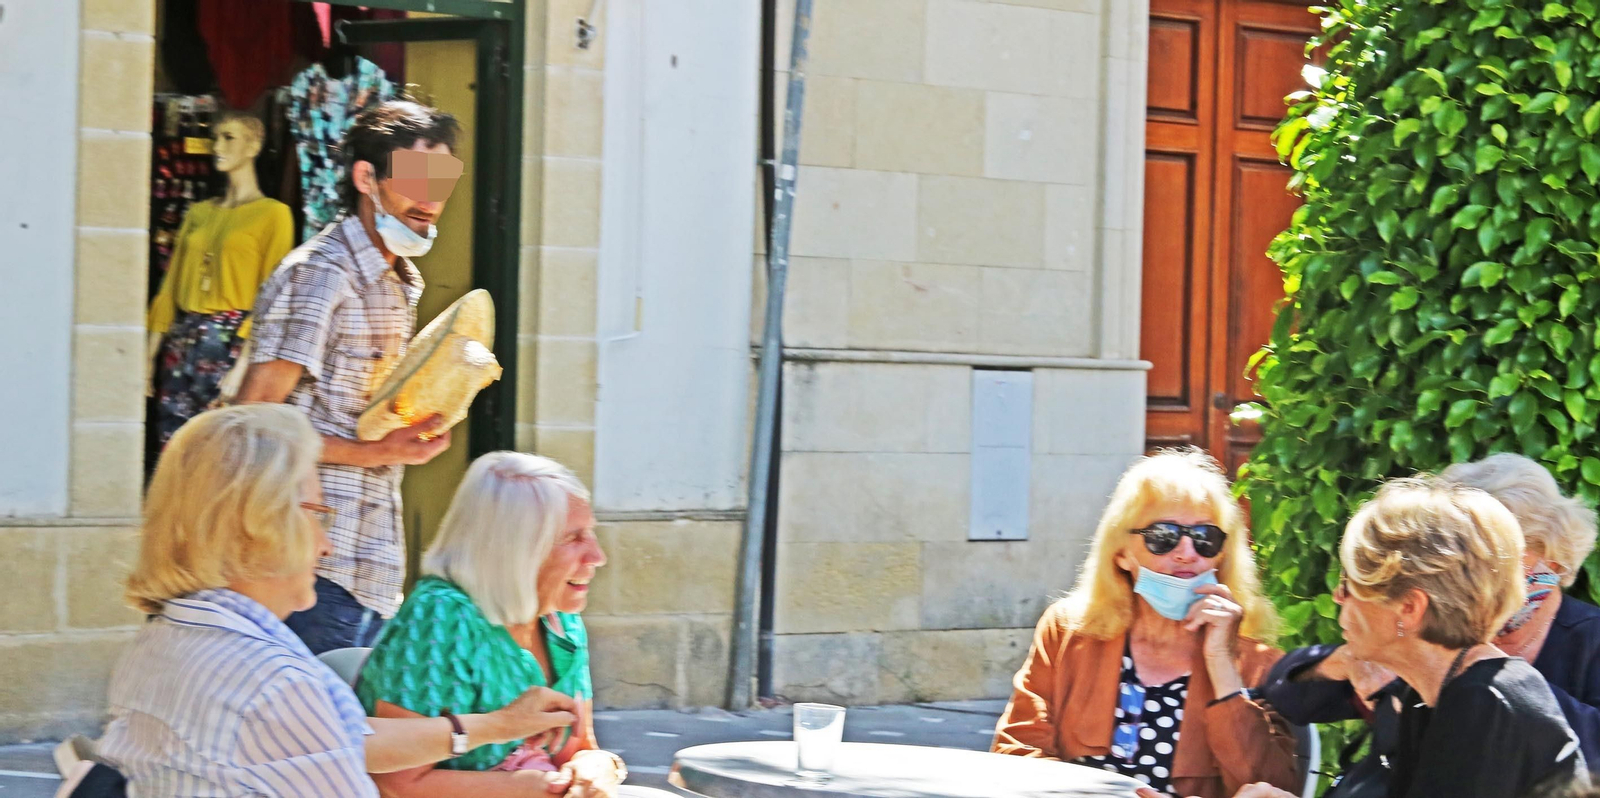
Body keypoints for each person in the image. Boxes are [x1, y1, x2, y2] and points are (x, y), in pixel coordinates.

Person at [93, 405, 579, 797]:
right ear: (258, 524)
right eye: (318, 514)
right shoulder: (274, 681)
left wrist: (494, 726)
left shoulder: (163, 640)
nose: (327, 545)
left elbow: (347, 739)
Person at [1167, 476, 1588, 798]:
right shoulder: (1431, 692)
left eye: (1350, 585)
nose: (1337, 597)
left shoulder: (1486, 702)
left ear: (1410, 607)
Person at [236, 99, 467, 653]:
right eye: (418, 177)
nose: (432, 198)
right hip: (310, 568)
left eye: (444, 180)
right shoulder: (321, 275)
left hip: (370, 570)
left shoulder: (396, 280)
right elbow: (252, 424)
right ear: (367, 177)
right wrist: (381, 450)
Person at [992, 448, 1299, 798]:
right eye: (1163, 536)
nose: (1187, 552)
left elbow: (1273, 789)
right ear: (1121, 554)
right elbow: (1015, 755)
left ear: (1223, 552)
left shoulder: (1258, 662)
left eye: (1205, 538)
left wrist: (1222, 664)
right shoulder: (1067, 632)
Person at [357, 452, 630, 797]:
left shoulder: (561, 621)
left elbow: (577, 748)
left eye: (590, 533)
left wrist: (598, 767)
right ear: (513, 548)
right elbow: (396, 784)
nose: (597, 557)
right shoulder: (442, 616)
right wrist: (524, 789)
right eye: (571, 538)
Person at [146, 111, 294, 447]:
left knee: (220, 445)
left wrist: (243, 365)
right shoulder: (198, 212)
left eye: (228, 137)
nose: (217, 146)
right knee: (174, 443)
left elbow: (272, 297)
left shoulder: (273, 215)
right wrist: (149, 354)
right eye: (216, 137)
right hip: (184, 338)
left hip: (229, 341)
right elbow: (169, 287)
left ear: (253, 145)